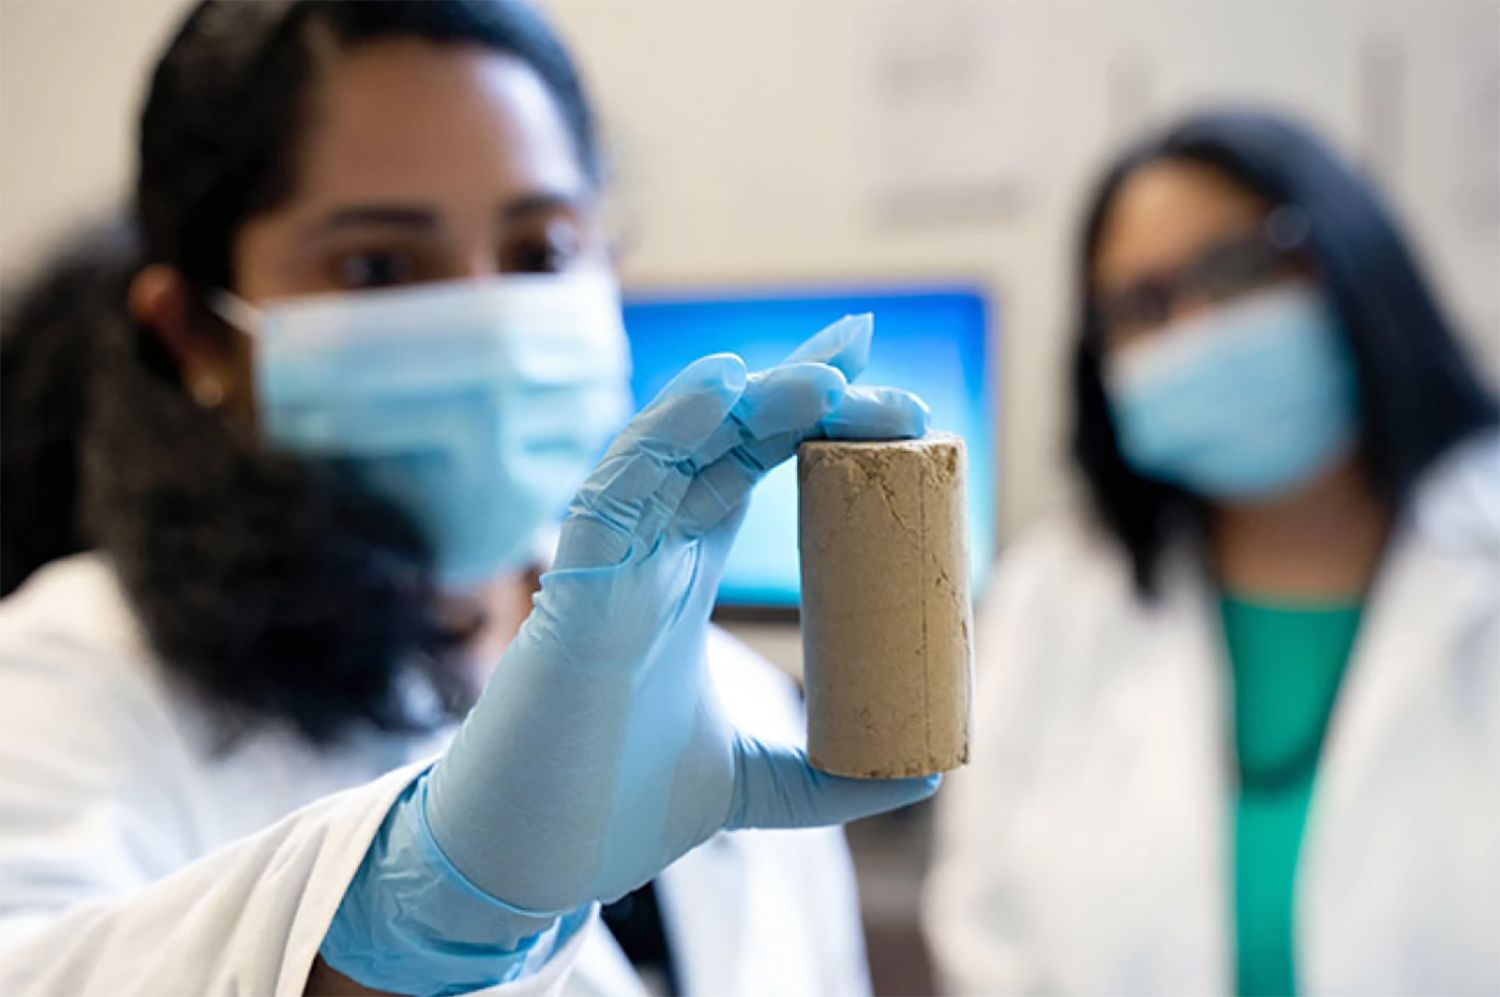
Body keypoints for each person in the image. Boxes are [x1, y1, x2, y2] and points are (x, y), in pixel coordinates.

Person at [0, 3, 940, 995]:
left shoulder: (729, 696)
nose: (492, 316)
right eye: (379, 267)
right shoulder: (64, 683)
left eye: (539, 253)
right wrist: (431, 912)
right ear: (197, 334)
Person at [925, 109, 1499, 996]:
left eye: (1238, 268)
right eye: (1141, 307)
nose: (1193, 330)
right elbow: (988, 935)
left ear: (1351, 256)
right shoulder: (1053, 599)